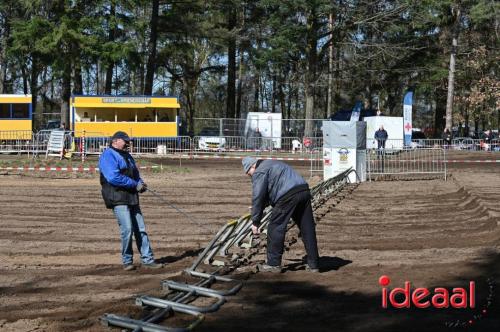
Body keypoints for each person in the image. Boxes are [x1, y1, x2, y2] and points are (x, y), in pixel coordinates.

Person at [242, 156, 319, 273]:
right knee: (307, 228)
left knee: (275, 226)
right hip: (303, 190)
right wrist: (260, 207)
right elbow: (271, 190)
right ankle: (314, 264)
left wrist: (255, 222)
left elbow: (258, 196)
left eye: (249, 173)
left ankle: (273, 264)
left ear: (252, 166)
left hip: (287, 196)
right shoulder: (272, 163)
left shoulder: (260, 171)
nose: (250, 176)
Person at [99, 131, 162, 271]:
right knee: (127, 229)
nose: (128, 143)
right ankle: (127, 261)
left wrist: (141, 183)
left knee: (141, 229)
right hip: (117, 197)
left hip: (132, 197)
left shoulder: (128, 156)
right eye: (125, 140)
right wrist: (134, 184)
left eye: (128, 141)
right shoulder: (108, 155)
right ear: (115, 141)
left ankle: (148, 259)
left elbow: (135, 174)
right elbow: (113, 177)